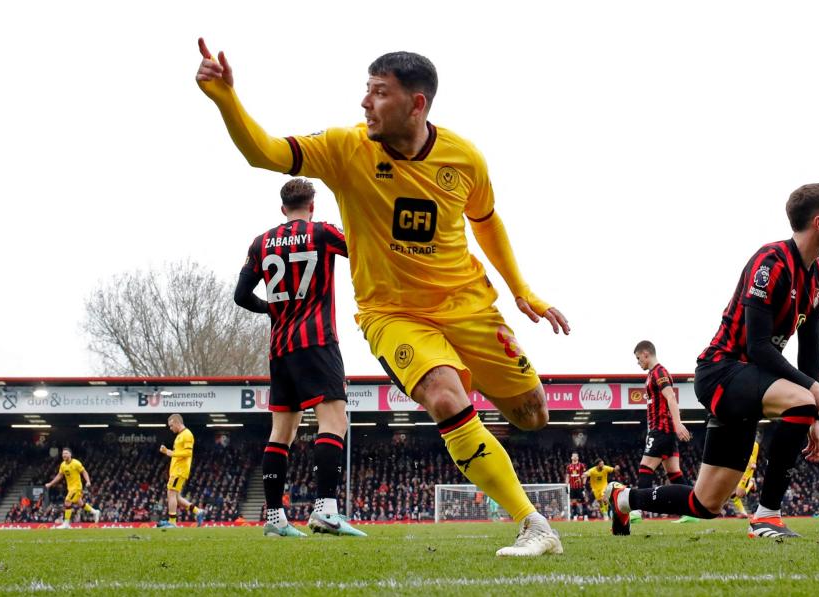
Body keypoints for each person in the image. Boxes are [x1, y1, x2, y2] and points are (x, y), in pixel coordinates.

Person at [197, 39, 570, 557]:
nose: (365, 103)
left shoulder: (464, 159)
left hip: (467, 304)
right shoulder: (345, 148)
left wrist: (522, 290)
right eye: (365, 91)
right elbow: (265, 152)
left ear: (416, 104)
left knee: (533, 415)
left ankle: (465, 365)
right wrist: (225, 100)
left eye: (378, 92)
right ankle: (534, 525)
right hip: (392, 313)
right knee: (443, 396)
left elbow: (486, 223)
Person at [607, 183, 819, 538]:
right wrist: (812, 395)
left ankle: (624, 499)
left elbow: (811, 351)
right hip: (722, 371)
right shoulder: (771, 263)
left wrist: (813, 417)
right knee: (801, 400)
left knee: (705, 505)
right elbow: (759, 346)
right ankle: (767, 515)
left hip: (751, 381)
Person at [234, 177, 364, 538]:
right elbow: (361, 247)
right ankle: (326, 510)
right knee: (334, 422)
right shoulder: (321, 232)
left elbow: (241, 295)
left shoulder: (261, 243)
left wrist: (272, 310)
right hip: (317, 341)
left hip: (280, 348)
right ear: (311, 206)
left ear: (282, 209)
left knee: (281, 433)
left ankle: (275, 519)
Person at [630, 340, 693, 525]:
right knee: (674, 473)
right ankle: (692, 510)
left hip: (661, 430)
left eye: (638, 358)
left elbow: (671, 397)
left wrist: (678, 424)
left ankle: (637, 510)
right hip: (662, 430)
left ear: (646, 354)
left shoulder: (659, 372)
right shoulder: (651, 375)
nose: (638, 362)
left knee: (644, 468)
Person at [157, 414, 206, 528]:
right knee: (177, 497)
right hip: (176, 469)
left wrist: (170, 452)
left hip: (180, 470)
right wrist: (168, 452)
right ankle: (198, 512)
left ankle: (172, 522)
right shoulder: (180, 436)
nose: (170, 428)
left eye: (171, 425)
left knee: (171, 493)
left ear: (176, 422)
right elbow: (179, 453)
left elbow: (188, 453)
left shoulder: (187, 434)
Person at [44, 447, 101, 528]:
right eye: (63, 454)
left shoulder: (76, 463)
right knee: (81, 504)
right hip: (70, 488)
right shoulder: (63, 465)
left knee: (67, 501)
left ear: (70, 454)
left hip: (77, 488)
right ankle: (95, 512)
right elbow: (59, 475)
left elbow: (84, 472)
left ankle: (66, 524)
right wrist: (50, 484)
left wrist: (88, 481)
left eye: (66, 453)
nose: (64, 455)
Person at [729, 439, 760, 517]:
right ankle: (743, 513)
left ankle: (751, 483)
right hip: (737, 471)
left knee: (739, 494)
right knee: (732, 495)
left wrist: (752, 464)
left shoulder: (754, 445)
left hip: (746, 472)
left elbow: (753, 461)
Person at [565, 452, 586, 520]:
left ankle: (585, 515)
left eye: (576, 456)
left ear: (578, 457)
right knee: (573, 501)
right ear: (571, 458)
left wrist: (584, 484)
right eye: (573, 456)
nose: (574, 457)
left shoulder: (581, 465)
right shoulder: (569, 466)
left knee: (583, 500)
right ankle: (575, 515)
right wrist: (566, 485)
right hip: (572, 487)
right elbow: (568, 476)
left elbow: (584, 475)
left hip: (580, 486)